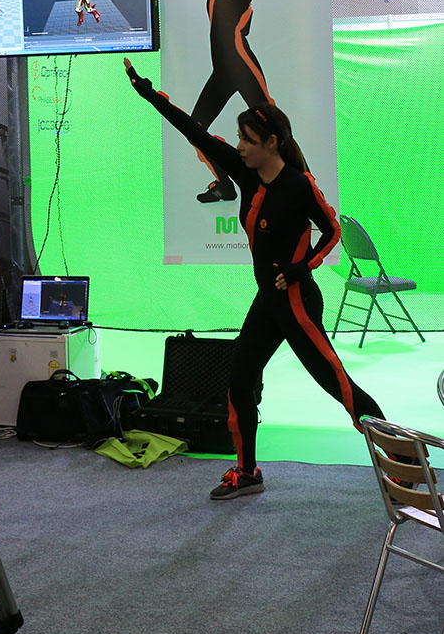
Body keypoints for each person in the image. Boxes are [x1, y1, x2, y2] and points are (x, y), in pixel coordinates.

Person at [123, 58, 386, 501]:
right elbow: (195, 132)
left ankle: (402, 465)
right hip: (268, 301)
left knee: (339, 385)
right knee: (240, 381)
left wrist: (304, 266)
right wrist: (150, 95)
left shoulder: (299, 185)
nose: (240, 146)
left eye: (248, 139)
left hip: (297, 302)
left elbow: (331, 230)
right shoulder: (246, 172)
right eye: (240, 138)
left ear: (272, 142)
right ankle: (247, 472)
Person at [192, 0, 274, 204]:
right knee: (194, 128)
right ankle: (224, 185)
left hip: (241, 63)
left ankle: (295, 186)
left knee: (274, 127)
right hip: (223, 71)